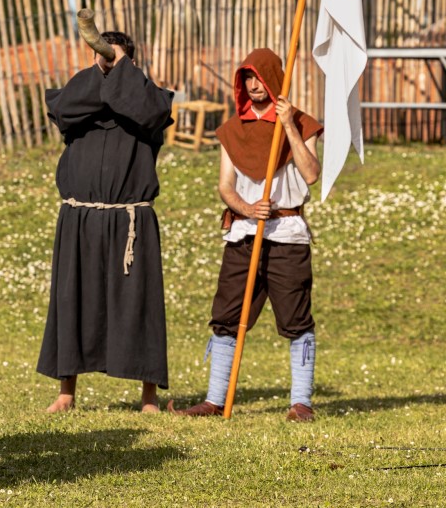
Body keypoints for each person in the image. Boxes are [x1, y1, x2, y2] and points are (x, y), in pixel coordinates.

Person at [168, 47, 323, 421]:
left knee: (296, 319)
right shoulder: (232, 131)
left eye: (259, 77)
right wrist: (247, 209)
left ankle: (301, 402)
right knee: (226, 316)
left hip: (286, 234)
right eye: (246, 78)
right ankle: (214, 399)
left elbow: (311, 174)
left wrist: (288, 126)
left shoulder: (302, 123)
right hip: (243, 234)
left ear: (273, 79)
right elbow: (226, 187)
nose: (254, 85)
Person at [37, 29, 173, 414]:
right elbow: (64, 110)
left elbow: (151, 112)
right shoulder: (79, 99)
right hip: (80, 218)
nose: (111, 67)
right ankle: (67, 391)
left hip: (131, 220)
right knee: (73, 300)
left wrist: (122, 69)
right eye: (105, 59)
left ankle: (149, 396)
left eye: (120, 61)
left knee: (139, 304)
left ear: (132, 65)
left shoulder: (150, 102)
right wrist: (102, 68)